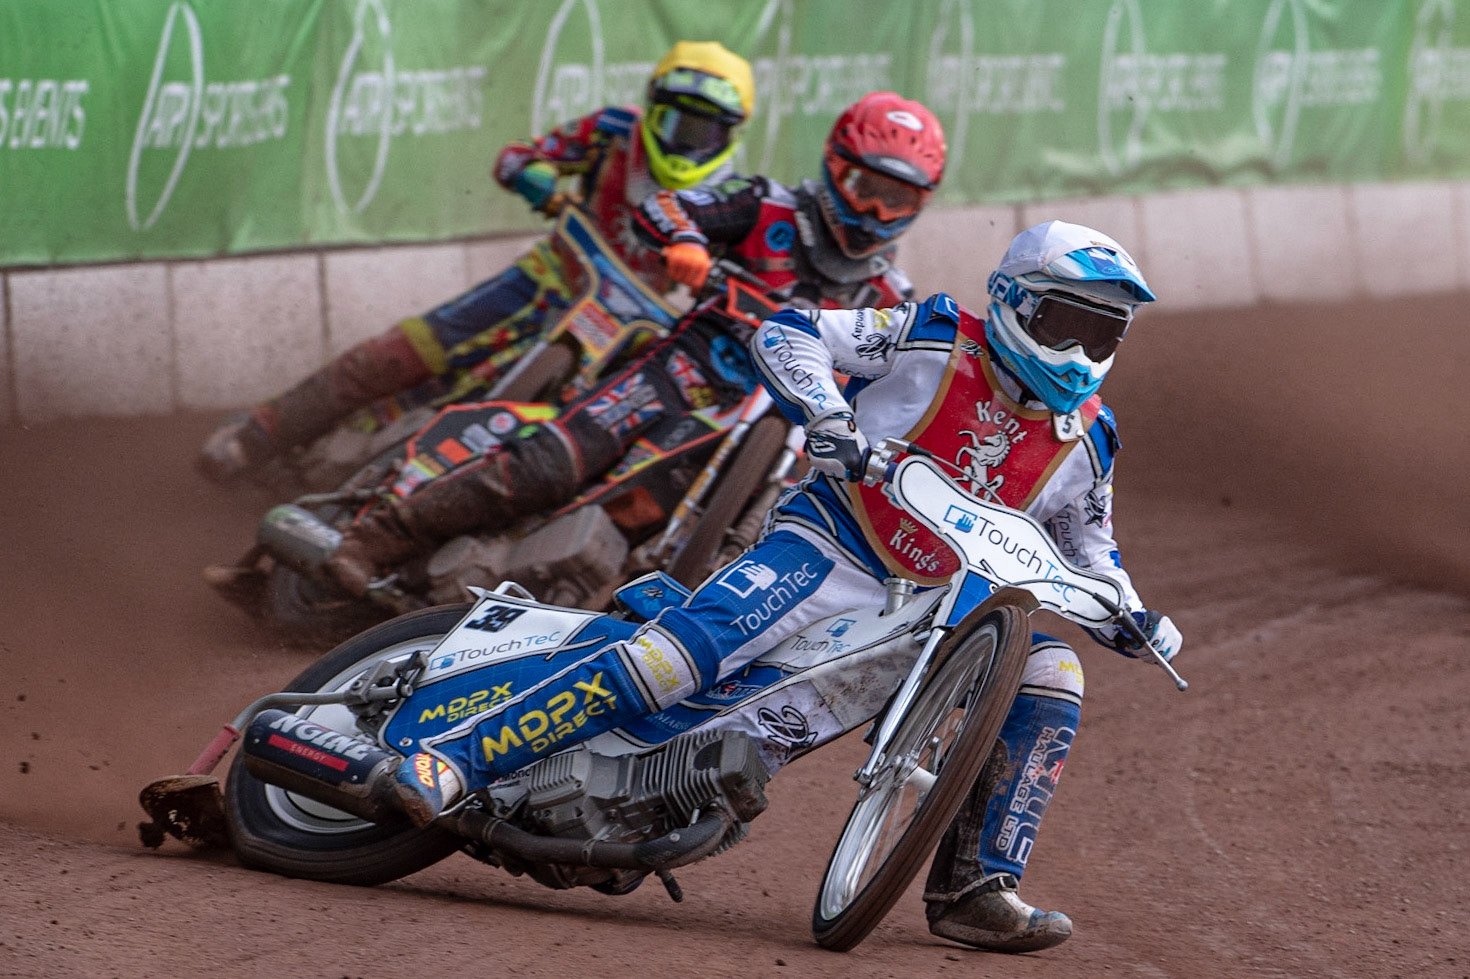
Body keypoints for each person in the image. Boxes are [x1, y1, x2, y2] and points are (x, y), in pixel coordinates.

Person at [365, 219, 1184, 953]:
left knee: (1050, 671)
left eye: (1102, 334)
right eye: (1067, 324)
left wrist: (1131, 613)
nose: (1081, 353)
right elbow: (794, 331)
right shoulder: (931, 334)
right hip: (831, 542)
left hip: (939, 602)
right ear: (1013, 302)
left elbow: (1090, 545)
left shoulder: (1091, 435)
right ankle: (458, 758)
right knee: (680, 660)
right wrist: (829, 416)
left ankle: (976, 888)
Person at [320, 91, 947, 595]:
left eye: (898, 199)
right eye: (867, 189)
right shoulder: (766, 206)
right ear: (835, 167)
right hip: (682, 369)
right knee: (549, 465)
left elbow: (909, 381)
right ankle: (375, 538)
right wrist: (689, 245)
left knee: (683, 514)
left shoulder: (891, 295)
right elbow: (669, 207)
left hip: (768, 421)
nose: (876, 211)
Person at [197, 40, 755, 482]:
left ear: (729, 133)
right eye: (677, 121)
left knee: (561, 438)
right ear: (653, 108)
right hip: (547, 276)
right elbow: (517, 157)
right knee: (399, 354)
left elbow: (745, 275)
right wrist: (539, 184)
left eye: (705, 128)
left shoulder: (733, 197)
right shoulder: (614, 129)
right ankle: (258, 434)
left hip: (623, 328)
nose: (687, 140)